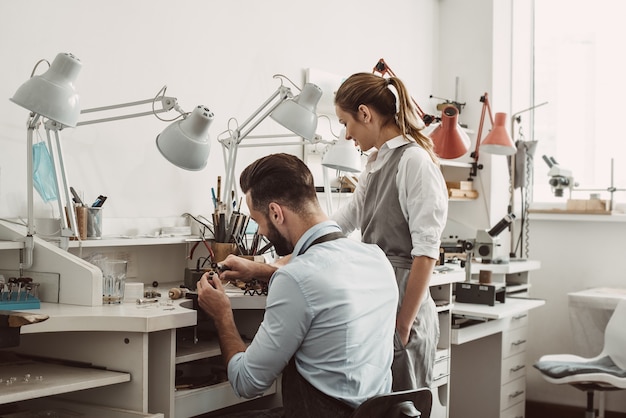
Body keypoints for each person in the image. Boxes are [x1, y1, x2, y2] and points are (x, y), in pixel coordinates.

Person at [196, 153, 399, 418]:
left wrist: (222, 315)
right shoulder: (375, 258)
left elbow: (247, 382)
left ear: (276, 213)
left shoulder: (296, 277)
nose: (259, 233)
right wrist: (263, 271)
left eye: (257, 222)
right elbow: (322, 283)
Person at [332, 72, 449, 391]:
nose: (346, 135)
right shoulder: (374, 162)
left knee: (404, 405)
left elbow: (426, 253)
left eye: (345, 123)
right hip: (378, 299)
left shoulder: (415, 162)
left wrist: (403, 325)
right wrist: (297, 239)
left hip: (403, 303)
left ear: (365, 114)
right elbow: (345, 219)